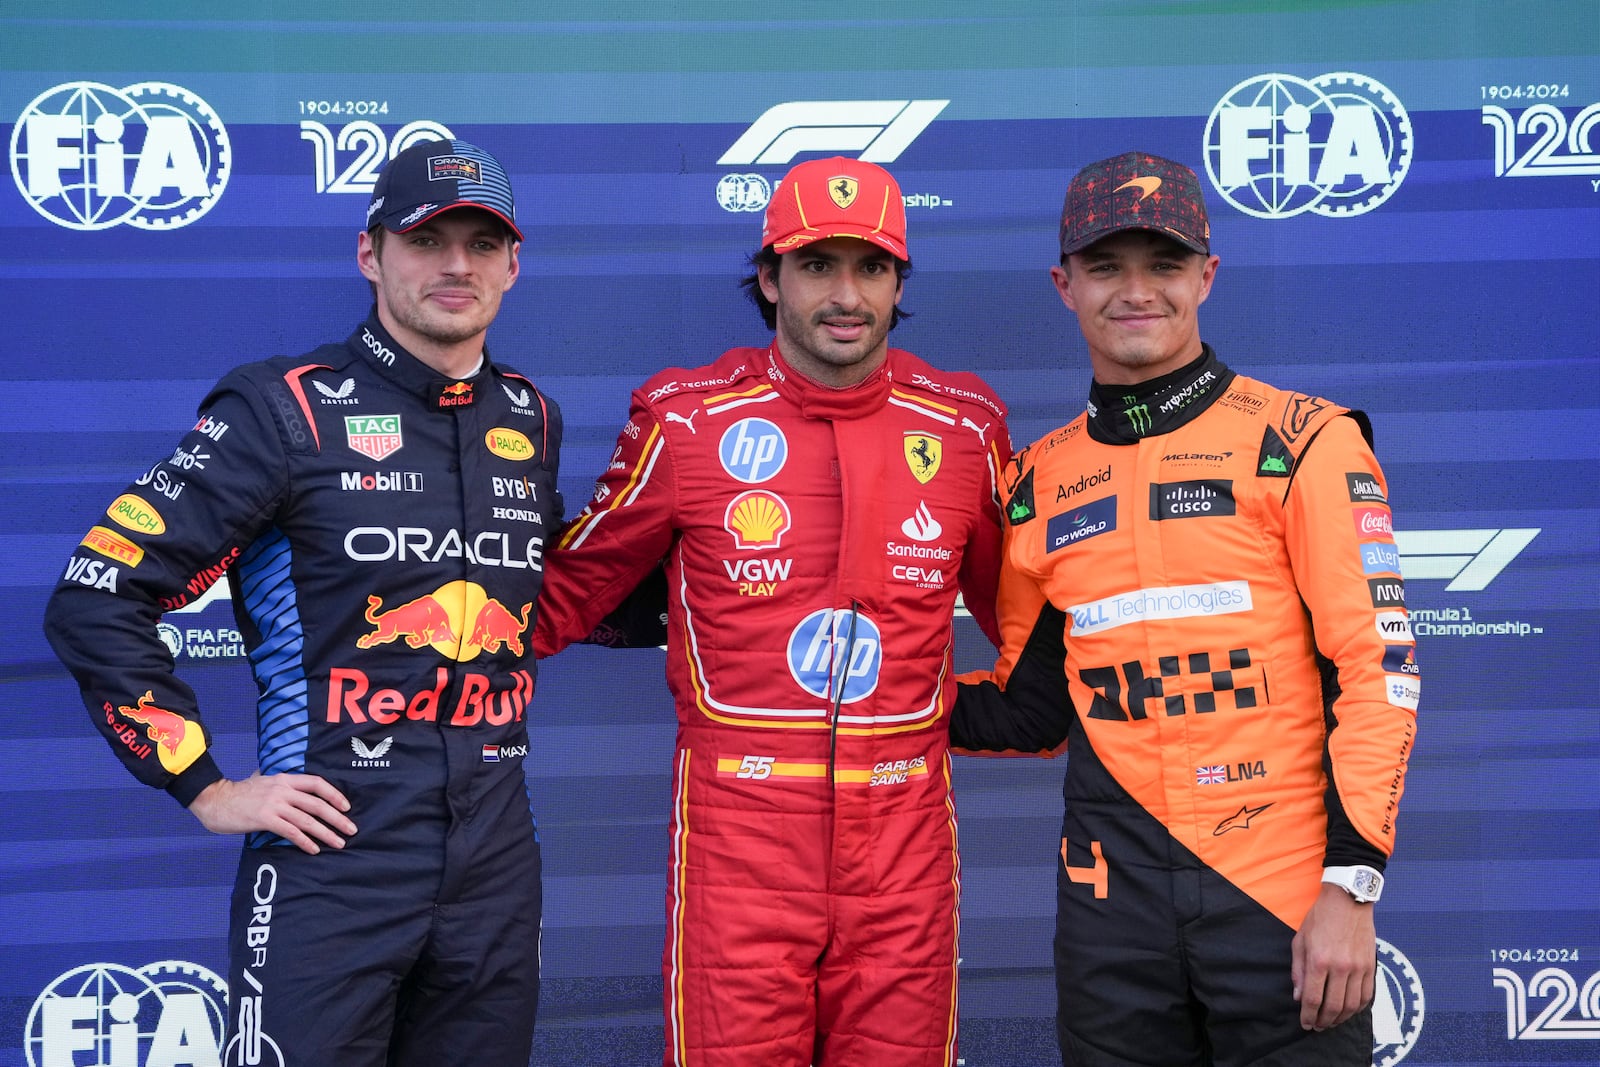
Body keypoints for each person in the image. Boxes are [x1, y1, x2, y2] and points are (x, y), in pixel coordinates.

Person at [43, 139, 559, 1066]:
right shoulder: (283, 411)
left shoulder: (528, 416)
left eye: (482, 243)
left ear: (513, 265)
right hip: (333, 859)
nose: (456, 265)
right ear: (371, 254)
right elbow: (99, 594)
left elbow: (556, 597)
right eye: (428, 238)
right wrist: (204, 786)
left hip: (495, 867)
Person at [531, 156, 1011, 1066]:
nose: (846, 294)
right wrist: (407, 603)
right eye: (816, 265)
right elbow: (563, 593)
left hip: (904, 839)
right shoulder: (686, 420)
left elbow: (1025, 621)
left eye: (871, 267)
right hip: (738, 837)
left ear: (900, 281)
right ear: (767, 277)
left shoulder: (965, 426)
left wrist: (985, 713)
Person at [950, 151, 1418, 1066]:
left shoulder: (1304, 440)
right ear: (1064, 284)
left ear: (1207, 275)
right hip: (1110, 917)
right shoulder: (1036, 482)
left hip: (1281, 900)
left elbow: (1378, 673)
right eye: (1106, 265)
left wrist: (1351, 889)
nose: (1136, 290)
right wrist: (862, 701)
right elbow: (1035, 706)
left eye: (1163, 264)